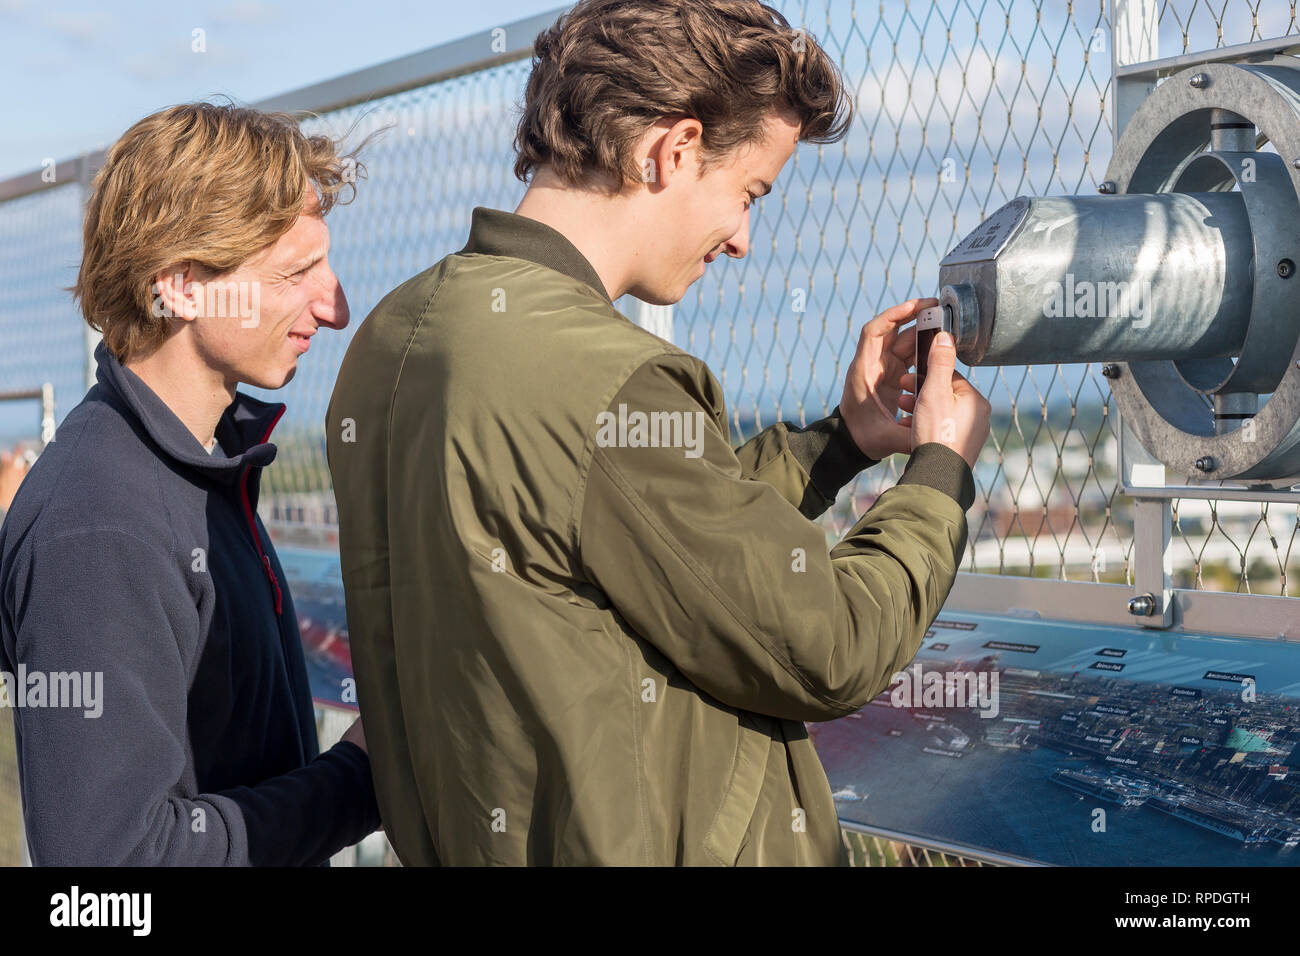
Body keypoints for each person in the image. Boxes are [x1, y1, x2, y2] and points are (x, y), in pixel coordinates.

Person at [326, 0, 991, 866]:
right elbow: (832, 646)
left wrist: (844, 443)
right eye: (748, 193)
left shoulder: (398, 334)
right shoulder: (605, 376)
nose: (744, 239)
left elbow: (630, 526)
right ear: (672, 151)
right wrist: (940, 471)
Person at [0, 102, 382, 865]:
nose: (335, 306)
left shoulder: (196, 466)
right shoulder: (100, 522)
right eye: (297, 271)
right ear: (179, 286)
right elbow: (109, 873)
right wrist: (355, 782)